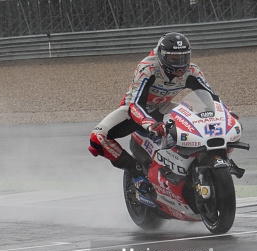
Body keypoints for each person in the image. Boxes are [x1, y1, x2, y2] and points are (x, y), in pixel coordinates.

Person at [88, 32, 229, 195]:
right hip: (134, 112)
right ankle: (136, 171)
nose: (179, 64)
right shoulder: (148, 68)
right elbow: (135, 104)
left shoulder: (192, 70)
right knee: (97, 138)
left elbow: (211, 97)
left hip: (163, 107)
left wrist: (225, 114)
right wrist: (149, 123)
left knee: (199, 121)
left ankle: (195, 165)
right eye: (173, 59)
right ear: (162, 56)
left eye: (183, 58)